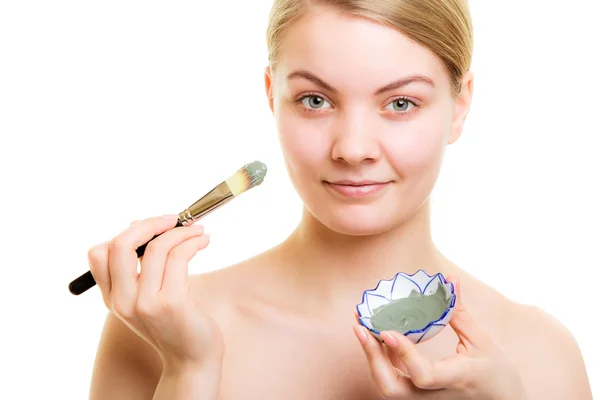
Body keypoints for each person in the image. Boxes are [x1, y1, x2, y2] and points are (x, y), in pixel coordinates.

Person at [87, 0, 593, 399]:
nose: (352, 148)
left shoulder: (538, 355)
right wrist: (189, 372)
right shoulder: (158, 325)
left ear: (459, 106)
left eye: (400, 103)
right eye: (315, 100)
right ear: (271, 95)